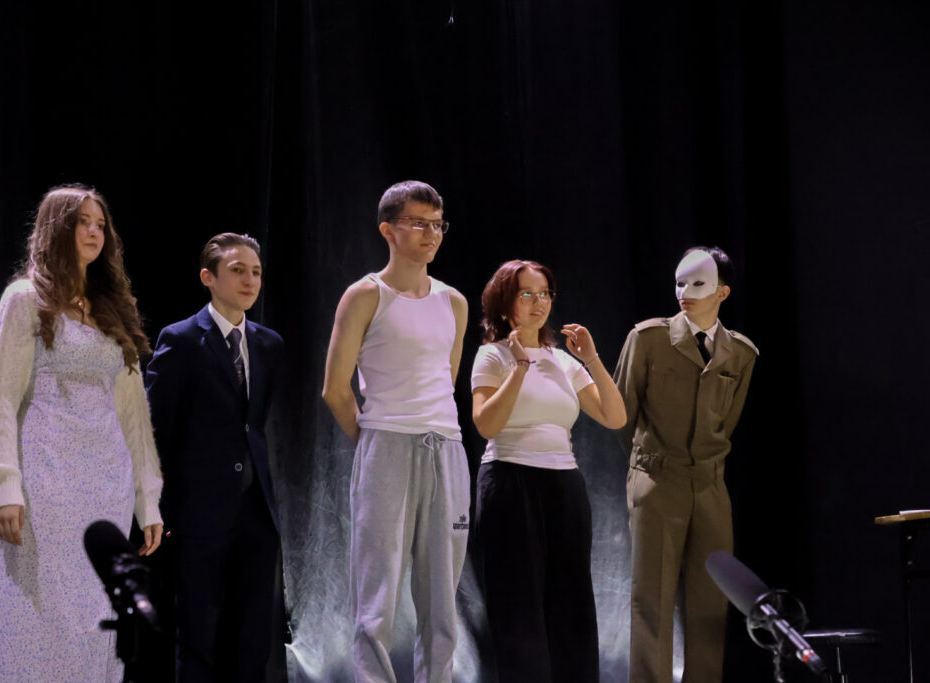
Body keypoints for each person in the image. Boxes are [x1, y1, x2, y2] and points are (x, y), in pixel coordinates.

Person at [0, 185, 164, 682]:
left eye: (100, 224)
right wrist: (4, 485)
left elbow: (134, 415)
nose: (94, 232)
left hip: (106, 487)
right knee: (39, 610)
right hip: (46, 482)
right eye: (82, 222)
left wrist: (148, 500)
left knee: (97, 614)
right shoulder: (26, 299)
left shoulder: (111, 309)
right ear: (57, 229)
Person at [322, 180, 469, 682]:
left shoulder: (453, 302)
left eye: (438, 224)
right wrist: (373, 441)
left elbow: (447, 379)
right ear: (388, 230)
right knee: (377, 592)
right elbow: (335, 389)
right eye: (419, 223)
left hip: (446, 447)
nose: (431, 233)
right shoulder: (366, 295)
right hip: (386, 443)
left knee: (442, 594)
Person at [471, 260, 626, 683]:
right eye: (527, 294)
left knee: (572, 601)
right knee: (517, 603)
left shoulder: (563, 361)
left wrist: (591, 360)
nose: (538, 303)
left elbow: (615, 417)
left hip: (563, 483)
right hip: (509, 481)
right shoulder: (492, 355)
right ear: (506, 302)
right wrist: (519, 366)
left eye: (545, 294)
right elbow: (486, 424)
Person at [614, 246, 759, 683]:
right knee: (651, 599)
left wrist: (705, 464)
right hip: (658, 479)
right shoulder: (648, 339)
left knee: (711, 603)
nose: (685, 293)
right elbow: (621, 415)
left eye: (698, 284)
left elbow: (727, 423)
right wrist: (647, 466)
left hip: (710, 485)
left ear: (722, 292)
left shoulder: (741, 353)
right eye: (680, 283)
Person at [145, 232, 283, 681]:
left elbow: (252, 424)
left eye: (256, 272)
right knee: (197, 637)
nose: (250, 281)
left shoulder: (268, 344)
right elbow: (155, 429)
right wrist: (159, 506)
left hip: (255, 511)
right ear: (208, 277)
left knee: (253, 640)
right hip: (198, 512)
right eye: (238, 270)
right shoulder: (181, 339)